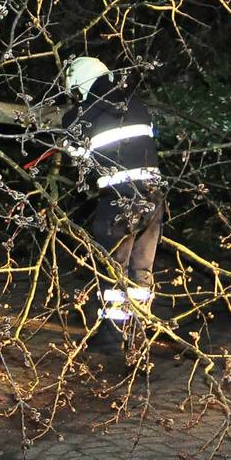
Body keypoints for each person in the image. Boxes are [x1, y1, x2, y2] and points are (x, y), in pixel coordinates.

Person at [60, 57, 165, 355]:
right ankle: (139, 332)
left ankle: (110, 338)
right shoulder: (137, 104)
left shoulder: (77, 116)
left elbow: (81, 162)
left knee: (111, 269)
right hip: (154, 197)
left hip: (120, 199)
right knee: (141, 270)